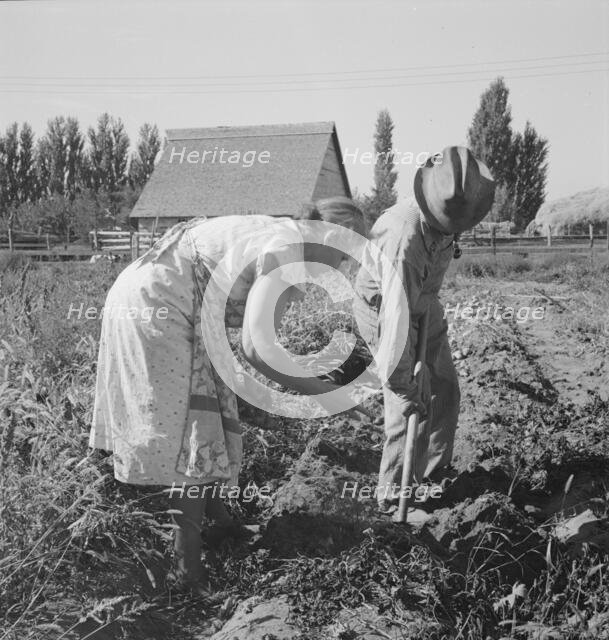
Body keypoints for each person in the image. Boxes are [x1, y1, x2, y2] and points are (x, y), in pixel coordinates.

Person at [89, 196, 368, 589]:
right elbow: (258, 350)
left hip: (167, 298)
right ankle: (186, 571)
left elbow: (261, 345)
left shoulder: (288, 244)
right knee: (193, 432)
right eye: (344, 256)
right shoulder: (284, 250)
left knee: (211, 410)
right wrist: (326, 395)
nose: (341, 268)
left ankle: (220, 526)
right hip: (159, 303)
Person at [353, 146, 495, 513]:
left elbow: (423, 290)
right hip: (386, 309)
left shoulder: (452, 208)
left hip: (423, 303)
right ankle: (392, 498)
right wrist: (403, 380)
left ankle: (430, 479)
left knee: (444, 387)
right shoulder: (404, 237)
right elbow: (395, 317)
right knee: (409, 402)